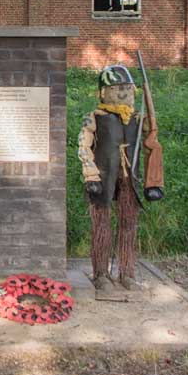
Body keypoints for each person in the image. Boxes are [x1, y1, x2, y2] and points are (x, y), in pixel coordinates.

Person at [77, 65, 163, 290]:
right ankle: (101, 274)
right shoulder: (95, 117)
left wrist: (153, 180)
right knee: (101, 226)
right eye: (116, 88)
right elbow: (83, 146)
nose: (123, 93)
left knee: (128, 224)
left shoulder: (137, 119)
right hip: (103, 177)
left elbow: (151, 146)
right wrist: (90, 174)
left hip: (129, 179)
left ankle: (127, 273)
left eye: (126, 87)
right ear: (103, 92)